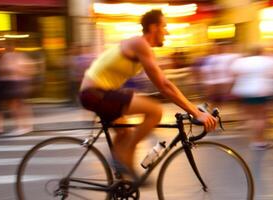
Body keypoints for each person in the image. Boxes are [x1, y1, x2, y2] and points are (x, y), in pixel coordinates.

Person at [79, 10, 217, 175]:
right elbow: (164, 85)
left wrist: (191, 107)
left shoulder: (141, 47)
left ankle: (122, 182)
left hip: (99, 93)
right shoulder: (140, 44)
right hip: (94, 93)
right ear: (153, 27)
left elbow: (162, 84)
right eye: (164, 26)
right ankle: (121, 157)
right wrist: (195, 112)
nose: (167, 32)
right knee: (155, 110)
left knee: (125, 132)